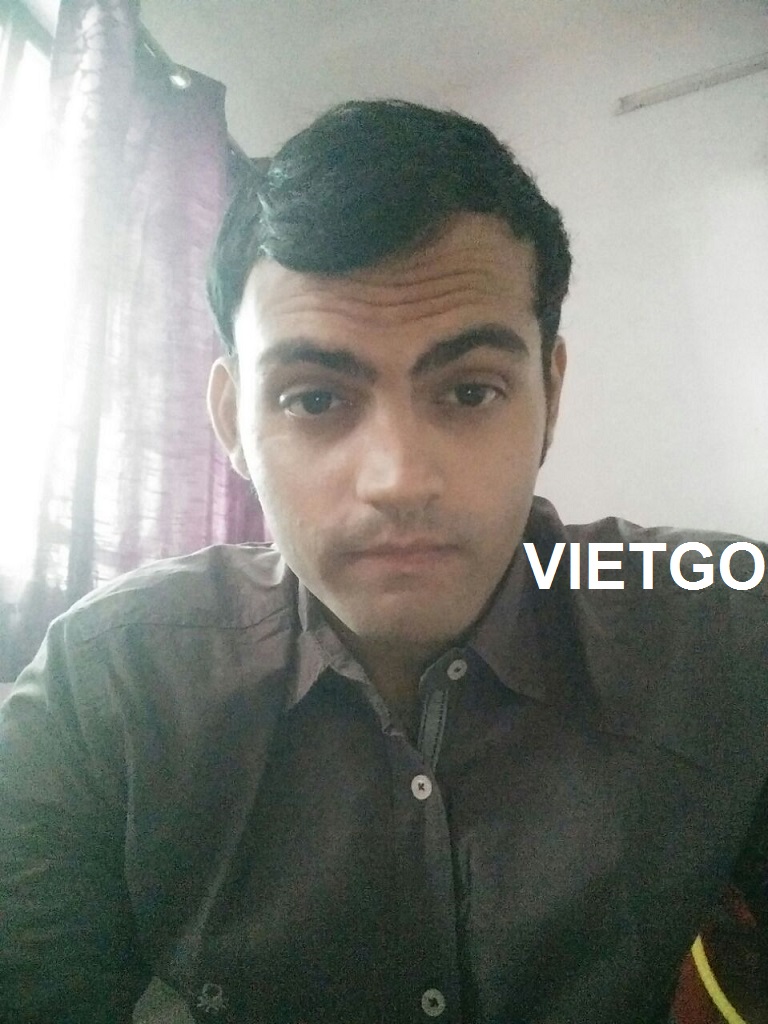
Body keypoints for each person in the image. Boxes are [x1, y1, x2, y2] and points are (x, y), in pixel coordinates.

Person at [0, 99, 766, 1024]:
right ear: (232, 423)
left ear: (550, 397)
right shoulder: (110, 677)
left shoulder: (726, 623)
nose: (398, 479)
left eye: (471, 391)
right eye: (315, 399)